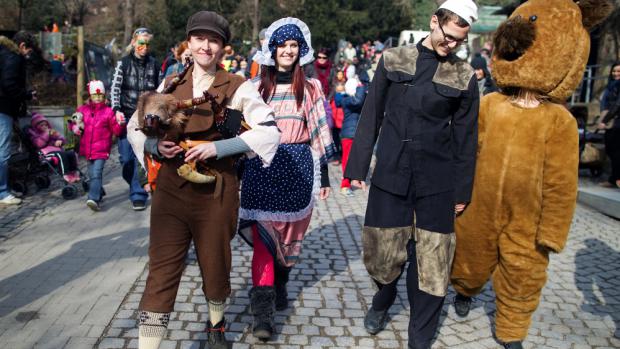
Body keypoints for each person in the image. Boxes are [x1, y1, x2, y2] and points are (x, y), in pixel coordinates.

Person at [126, 11, 280, 349]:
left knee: (215, 263)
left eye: (213, 40)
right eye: (199, 38)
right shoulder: (171, 83)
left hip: (217, 191)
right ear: (190, 42)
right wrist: (155, 145)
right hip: (170, 191)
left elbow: (269, 133)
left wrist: (217, 147)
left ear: (222, 47)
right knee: (161, 270)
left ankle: (216, 327)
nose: (206, 46)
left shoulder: (238, 86)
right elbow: (135, 126)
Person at [344, 1, 479, 348]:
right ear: (434, 22)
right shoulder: (393, 59)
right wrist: (357, 167)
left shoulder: (464, 76)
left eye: (459, 41)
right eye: (448, 36)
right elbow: (371, 113)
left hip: (437, 182)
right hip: (391, 174)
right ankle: (383, 298)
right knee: (383, 256)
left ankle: (419, 338)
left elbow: (466, 139)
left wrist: (463, 192)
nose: (452, 45)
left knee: (433, 264)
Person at [239, 17, 335, 341]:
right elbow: (239, 130)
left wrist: (324, 176)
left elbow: (320, 131)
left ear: (300, 50)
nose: (288, 51)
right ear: (272, 48)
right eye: (283, 45)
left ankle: (281, 279)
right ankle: (262, 314)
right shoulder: (253, 89)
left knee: (288, 245)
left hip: (296, 169)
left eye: (294, 45)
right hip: (261, 169)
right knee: (264, 245)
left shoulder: (309, 88)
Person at [110, 27, 160, 211]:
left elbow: (159, 90)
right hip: (125, 114)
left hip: (145, 117)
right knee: (125, 159)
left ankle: (138, 193)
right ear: (133, 43)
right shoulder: (122, 64)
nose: (144, 47)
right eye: (141, 43)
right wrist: (116, 109)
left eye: (147, 44)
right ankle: (133, 181)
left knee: (141, 155)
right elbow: (115, 89)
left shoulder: (154, 64)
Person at [72, 80, 125, 211]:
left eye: (100, 95)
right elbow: (74, 123)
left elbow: (116, 131)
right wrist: (76, 127)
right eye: (95, 96)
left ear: (104, 95)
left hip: (101, 149)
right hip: (87, 149)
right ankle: (99, 192)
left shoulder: (108, 112)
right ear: (90, 96)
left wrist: (120, 124)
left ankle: (93, 198)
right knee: (91, 175)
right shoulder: (82, 110)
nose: (98, 98)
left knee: (96, 173)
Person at [0, 31, 37, 206]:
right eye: (29, 51)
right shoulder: (13, 58)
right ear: (22, 46)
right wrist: (26, 95)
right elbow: (9, 84)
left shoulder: (3, 53)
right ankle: (2, 192)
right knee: (3, 151)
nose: (28, 55)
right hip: (2, 108)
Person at [335, 66, 368, 197]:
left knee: (356, 158)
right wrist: (361, 86)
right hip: (349, 133)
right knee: (347, 159)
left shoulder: (350, 99)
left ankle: (354, 179)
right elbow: (359, 100)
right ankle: (345, 185)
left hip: (356, 132)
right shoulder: (348, 100)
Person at [28, 113, 80, 183]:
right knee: (60, 154)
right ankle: (65, 174)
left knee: (71, 153)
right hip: (45, 154)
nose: (45, 126)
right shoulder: (34, 135)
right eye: (42, 125)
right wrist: (46, 133)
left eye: (46, 125)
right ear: (36, 127)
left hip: (56, 150)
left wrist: (60, 140)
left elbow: (62, 139)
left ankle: (73, 172)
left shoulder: (51, 131)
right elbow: (39, 144)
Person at [598, 61, 620, 188]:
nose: (616, 73)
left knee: (615, 151)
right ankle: (614, 178)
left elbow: (617, 105)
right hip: (612, 122)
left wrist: (604, 120)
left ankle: (616, 179)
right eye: (614, 71)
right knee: (611, 150)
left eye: (618, 71)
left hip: (617, 123)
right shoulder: (611, 86)